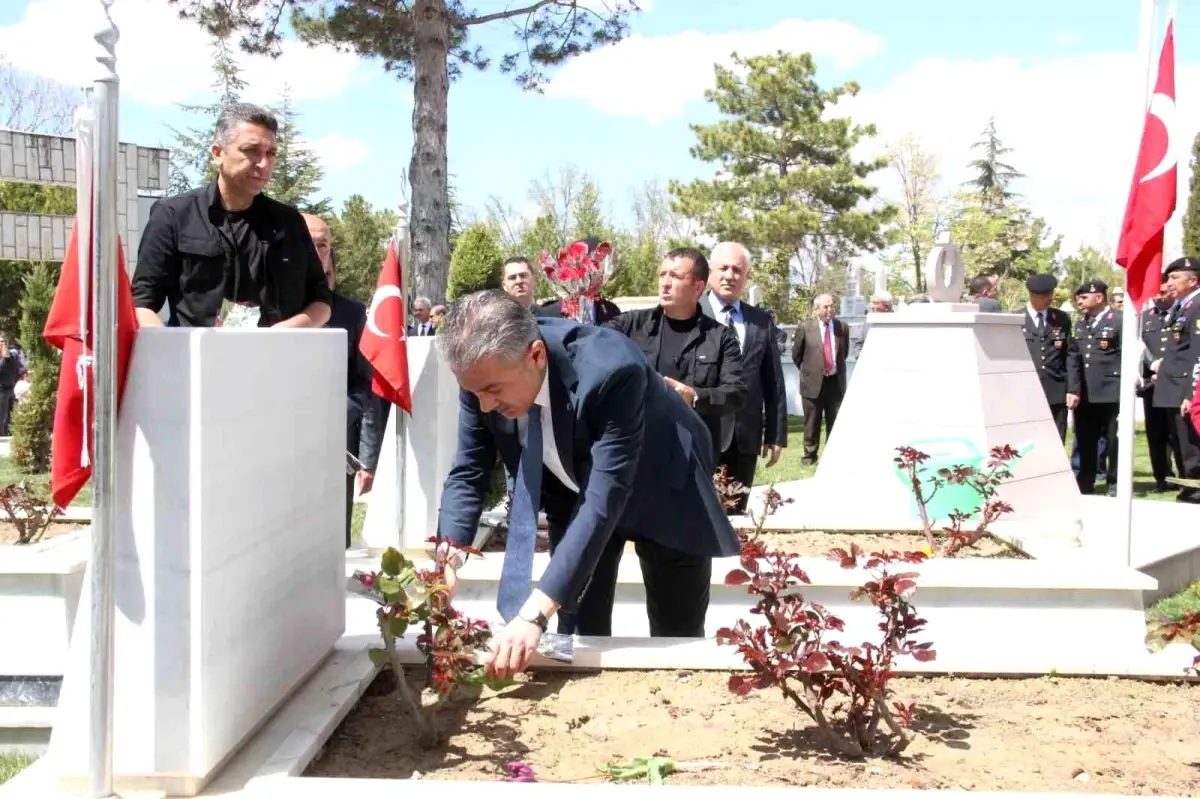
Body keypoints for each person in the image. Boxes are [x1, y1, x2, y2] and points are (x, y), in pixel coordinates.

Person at [435, 291, 739, 679]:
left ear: (536, 356)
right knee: (575, 626)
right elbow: (469, 467)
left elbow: (603, 499)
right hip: (573, 489)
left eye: (493, 392)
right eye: (475, 393)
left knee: (675, 638)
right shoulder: (482, 372)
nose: (484, 407)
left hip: (665, 484)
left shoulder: (612, 370)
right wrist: (449, 559)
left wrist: (533, 613)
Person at [131, 103, 331, 329]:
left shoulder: (289, 223)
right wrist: (174, 353)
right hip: (199, 359)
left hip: (275, 359)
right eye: (252, 150)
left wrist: (285, 332)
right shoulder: (173, 216)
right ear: (217, 153)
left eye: (271, 153)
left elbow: (321, 301)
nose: (264, 163)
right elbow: (142, 303)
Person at [606, 247, 746, 461]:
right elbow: (592, 342)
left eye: (676, 276)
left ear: (698, 287)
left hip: (691, 455)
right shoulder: (629, 325)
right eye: (663, 274)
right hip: (636, 452)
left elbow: (735, 392)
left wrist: (695, 396)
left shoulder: (720, 337)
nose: (665, 283)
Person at [304, 214, 375, 546]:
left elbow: (364, 385)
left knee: (333, 550)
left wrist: (334, 415)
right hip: (273, 449)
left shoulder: (350, 313)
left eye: (324, 245)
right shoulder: (262, 307)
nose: (316, 252)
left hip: (335, 447)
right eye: (308, 242)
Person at [701, 241, 788, 511]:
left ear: (746, 276)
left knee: (736, 517)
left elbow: (773, 381)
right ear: (710, 272)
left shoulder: (760, 322)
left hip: (744, 437)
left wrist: (776, 433)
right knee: (698, 517)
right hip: (701, 432)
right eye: (723, 268)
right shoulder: (691, 313)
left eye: (737, 270)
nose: (730, 275)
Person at [1148, 257, 1200, 503]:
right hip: (1172, 386)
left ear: (1193, 280)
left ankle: (1196, 491)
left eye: (1174, 277)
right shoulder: (1181, 306)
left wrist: (1192, 393)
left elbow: (1197, 352)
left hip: (1185, 388)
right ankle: (1188, 488)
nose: (1169, 283)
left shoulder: (1198, 305)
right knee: (1178, 444)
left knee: (1191, 448)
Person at [1067, 280, 1120, 495]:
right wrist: (1073, 388)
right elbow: (1073, 357)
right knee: (1085, 439)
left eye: (1083, 297)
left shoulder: (1119, 320)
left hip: (1111, 391)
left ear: (1099, 297)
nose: (1079, 301)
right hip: (1086, 394)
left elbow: (1128, 354)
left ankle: (1115, 482)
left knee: (1113, 440)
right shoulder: (1081, 323)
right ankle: (1086, 482)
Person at [791, 294, 849, 466]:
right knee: (812, 422)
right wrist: (810, 371)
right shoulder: (805, 328)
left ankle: (833, 455)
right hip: (813, 383)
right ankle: (809, 456)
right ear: (816, 310)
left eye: (832, 306)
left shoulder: (842, 328)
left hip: (834, 383)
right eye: (826, 307)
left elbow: (843, 354)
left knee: (835, 421)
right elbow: (796, 355)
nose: (830, 310)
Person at [1022, 274, 1074, 442]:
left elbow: (1070, 355)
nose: (1049, 299)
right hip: (1026, 390)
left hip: (1056, 389)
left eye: (1050, 294)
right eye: (1044, 296)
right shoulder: (1016, 319)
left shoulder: (1061, 318)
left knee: (1056, 439)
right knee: (1027, 440)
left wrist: (1072, 388)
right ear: (1032, 295)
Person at [1140, 278, 1180, 491]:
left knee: (1179, 434)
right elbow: (1140, 348)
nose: (1158, 296)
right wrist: (1149, 366)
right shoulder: (1145, 319)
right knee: (1156, 435)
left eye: (1163, 292)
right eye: (1155, 292)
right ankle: (1163, 479)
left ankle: (1187, 480)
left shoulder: (1183, 313)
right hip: (1152, 385)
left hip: (1176, 384)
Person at [0, 333, 21, 436]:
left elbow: (16, 368)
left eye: (3, 342)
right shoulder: (3, 359)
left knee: (11, 415)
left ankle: (11, 435)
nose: (3, 344)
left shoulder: (10, 356)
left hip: (11, 388)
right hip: (1, 390)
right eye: (1, 342)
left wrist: (6, 355)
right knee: (2, 416)